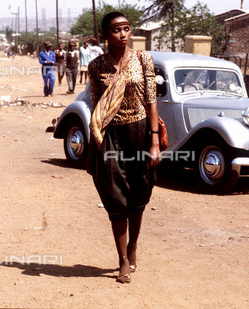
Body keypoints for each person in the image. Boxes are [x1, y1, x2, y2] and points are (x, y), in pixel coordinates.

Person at [88, 11, 161, 284]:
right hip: (111, 135)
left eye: (127, 29)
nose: (123, 34)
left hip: (141, 132)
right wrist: (96, 141)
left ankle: (133, 246)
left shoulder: (144, 60)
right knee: (115, 194)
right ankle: (121, 260)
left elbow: (151, 100)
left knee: (140, 191)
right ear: (106, 35)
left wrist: (154, 140)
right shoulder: (96, 66)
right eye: (117, 29)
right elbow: (98, 106)